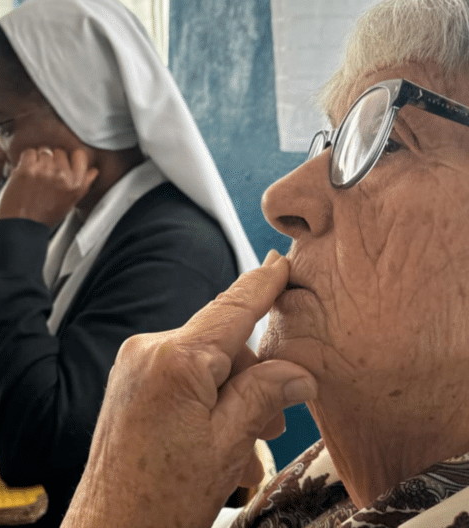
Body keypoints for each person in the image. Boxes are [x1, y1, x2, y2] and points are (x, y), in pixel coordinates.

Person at [59, 1, 469, 527]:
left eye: (383, 143)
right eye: (333, 141)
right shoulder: (313, 498)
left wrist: (112, 510)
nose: (279, 199)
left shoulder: (166, 241)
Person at [0, 0, 261, 525]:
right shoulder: (83, 225)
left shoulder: (173, 251)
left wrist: (16, 233)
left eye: (2, 125)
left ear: (79, 105)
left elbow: (36, 453)